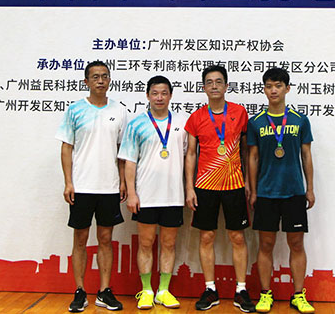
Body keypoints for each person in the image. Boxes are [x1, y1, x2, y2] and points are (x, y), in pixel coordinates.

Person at [56, 60, 128, 312]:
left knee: (106, 239)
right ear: (86, 81)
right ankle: (79, 291)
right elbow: (66, 147)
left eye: (104, 76)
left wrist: (122, 181)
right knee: (80, 238)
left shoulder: (120, 111)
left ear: (110, 80)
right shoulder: (75, 110)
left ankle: (104, 291)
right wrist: (68, 182)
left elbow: (122, 151)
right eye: (95, 76)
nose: (100, 80)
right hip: (82, 186)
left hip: (109, 187)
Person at [184, 65, 254, 312]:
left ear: (226, 86)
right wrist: (189, 188)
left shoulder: (239, 113)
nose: (214, 86)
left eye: (219, 82)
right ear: (204, 87)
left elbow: (246, 150)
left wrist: (248, 183)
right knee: (207, 236)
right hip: (205, 185)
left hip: (234, 184)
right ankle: (210, 289)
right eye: (209, 82)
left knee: (237, 237)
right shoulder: (196, 117)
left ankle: (241, 289)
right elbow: (191, 154)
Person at [247, 68, 316, 314]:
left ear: (287, 88)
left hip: (294, 192)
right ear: (264, 90)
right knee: (265, 244)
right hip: (266, 193)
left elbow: (306, 155)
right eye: (268, 86)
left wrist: (310, 188)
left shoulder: (300, 120)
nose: (273, 90)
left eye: (278, 85)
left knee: (296, 243)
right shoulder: (256, 122)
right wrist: (253, 190)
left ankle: (298, 295)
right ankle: (265, 294)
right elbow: (252, 158)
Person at [118, 76, 188, 310]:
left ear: (171, 95)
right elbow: (129, 161)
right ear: (147, 95)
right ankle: (147, 290)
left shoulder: (182, 123)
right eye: (155, 93)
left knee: (169, 244)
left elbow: (189, 156)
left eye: (164, 93)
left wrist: (188, 189)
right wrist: (132, 193)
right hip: (146, 196)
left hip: (173, 196)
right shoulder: (136, 125)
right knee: (146, 243)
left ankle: (163, 291)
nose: (159, 97)